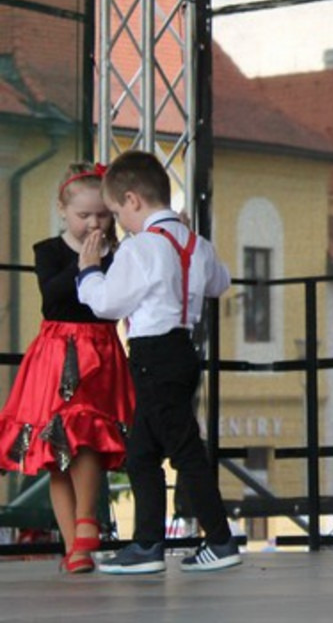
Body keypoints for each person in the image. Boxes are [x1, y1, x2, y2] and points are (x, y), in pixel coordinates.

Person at [76, 150, 242, 574]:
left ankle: (220, 539)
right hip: (183, 350)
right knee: (141, 451)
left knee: (184, 449)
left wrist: (89, 271)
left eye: (117, 213)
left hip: (152, 354)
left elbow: (107, 304)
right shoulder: (194, 243)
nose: (118, 222)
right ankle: (147, 544)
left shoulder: (141, 247)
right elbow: (220, 282)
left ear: (132, 200)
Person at [0, 163, 134, 574]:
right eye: (84, 215)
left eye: (103, 215)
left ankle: (87, 521)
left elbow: (116, 302)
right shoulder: (49, 250)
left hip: (100, 351)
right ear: (62, 210)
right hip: (59, 351)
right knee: (57, 449)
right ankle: (76, 547)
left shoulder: (119, 255)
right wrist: (83, 264)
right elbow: (52, 298)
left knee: (88, 434)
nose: (94, 224)